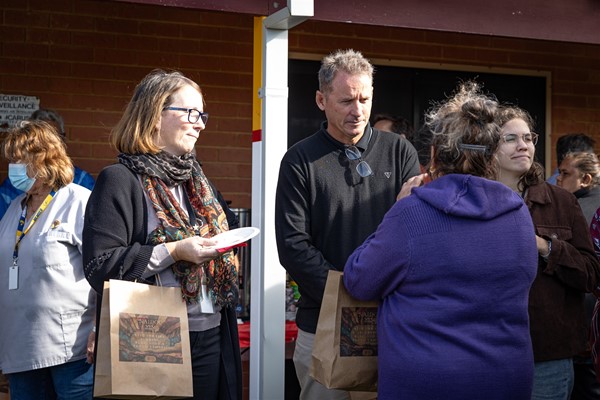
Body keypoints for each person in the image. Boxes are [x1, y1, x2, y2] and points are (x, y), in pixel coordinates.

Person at [343, 82, 538, 400]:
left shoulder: (411, 213)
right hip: (506, 379)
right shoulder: (518, 214)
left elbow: (360, 280)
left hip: (427, 384)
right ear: (491, 155)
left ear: (434, 153)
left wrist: (396, 208)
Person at [82, 69, 242, 400]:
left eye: (203, 115)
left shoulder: (197, 180)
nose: (200, 124)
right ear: (156, 116)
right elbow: (100, 266)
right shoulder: (119, 180)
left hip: (210, 333)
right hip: (151, 338)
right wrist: (173, 252)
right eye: (191, 113)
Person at [275, 49, 421, 400]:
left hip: (392, 321)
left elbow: (416, 229)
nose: (358, 110)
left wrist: (375, 284)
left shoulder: (400, 152)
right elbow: (293, 245)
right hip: (324, 324)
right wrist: (348, 291)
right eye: (346, 101)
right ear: (320, 100)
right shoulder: (299, 160)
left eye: (364, 99)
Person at [494, 105, 600, 400]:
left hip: (547, 354)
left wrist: (545, 246)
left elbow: (590, 274)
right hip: (487, 351)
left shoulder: (562, 201)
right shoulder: (473, 200)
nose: (523, 145)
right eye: (511, 138)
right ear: (490, 147)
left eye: (528, 137)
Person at [0, 120, 95, 399]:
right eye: (11, 160)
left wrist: (101, 328)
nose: (13, 168)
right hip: (20, 348)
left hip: (71, 351)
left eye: (19, 160)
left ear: (44, 159)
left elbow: (103, 268)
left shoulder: (77, 201)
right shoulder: (14, 208)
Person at [555, 151, 600, 399]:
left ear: (585, 180)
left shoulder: (577, 210)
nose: (558, 179)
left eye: (565, 174)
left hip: (585, 324)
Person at [0, 108, 95, 220]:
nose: (50, 145)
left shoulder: (83, 185)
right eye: (14, 159)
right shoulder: (12, 196)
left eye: (54, 137)